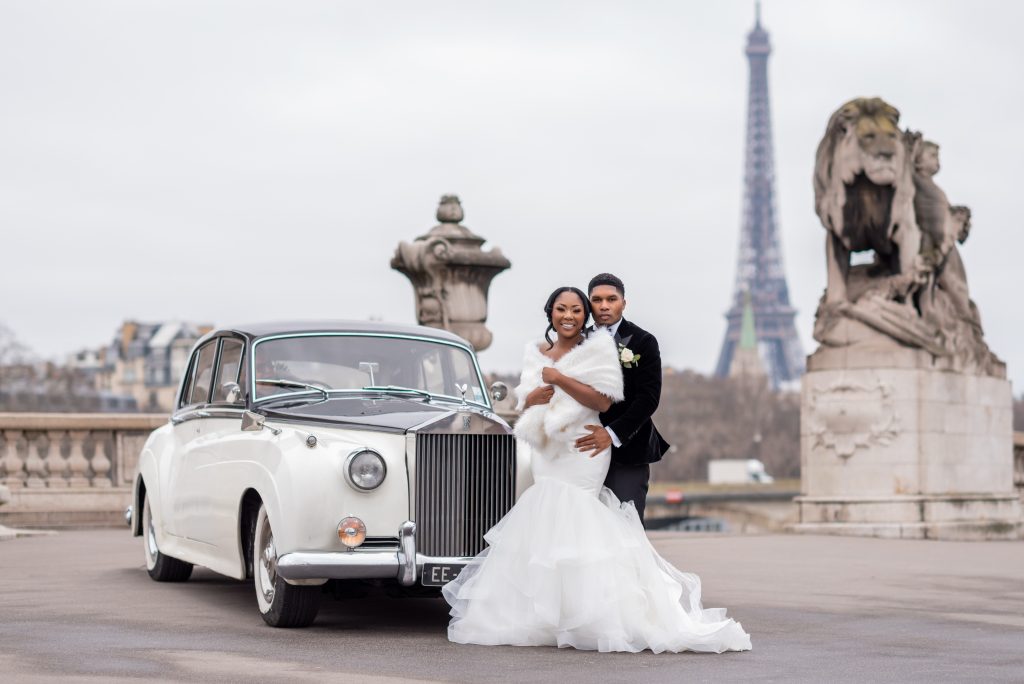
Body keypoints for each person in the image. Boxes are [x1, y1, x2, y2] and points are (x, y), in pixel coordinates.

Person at [442, 286, 751, 653]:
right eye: (562, 309)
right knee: (548, 524)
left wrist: (559, 381)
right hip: (549, 448)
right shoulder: (538, 350)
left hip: (588, 446)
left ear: (609, 305)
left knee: (588, 520)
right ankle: (552, 615)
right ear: (551, 313)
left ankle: (609, 612)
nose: (569, 315)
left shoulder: (609, 347)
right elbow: (526, 397)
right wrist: (531, 397)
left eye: (577, 309)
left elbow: (617, 398)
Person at [574, 273, 668, 522]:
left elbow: (649, 398)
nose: (604, 306)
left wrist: (612, 434)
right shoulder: (576, 342)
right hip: (581, 451)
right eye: (597, 300)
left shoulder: (644, 341)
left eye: (611, 299)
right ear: (588, 304)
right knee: (583, 527)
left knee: (625, 527)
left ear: (623, 303)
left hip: (627, 451)